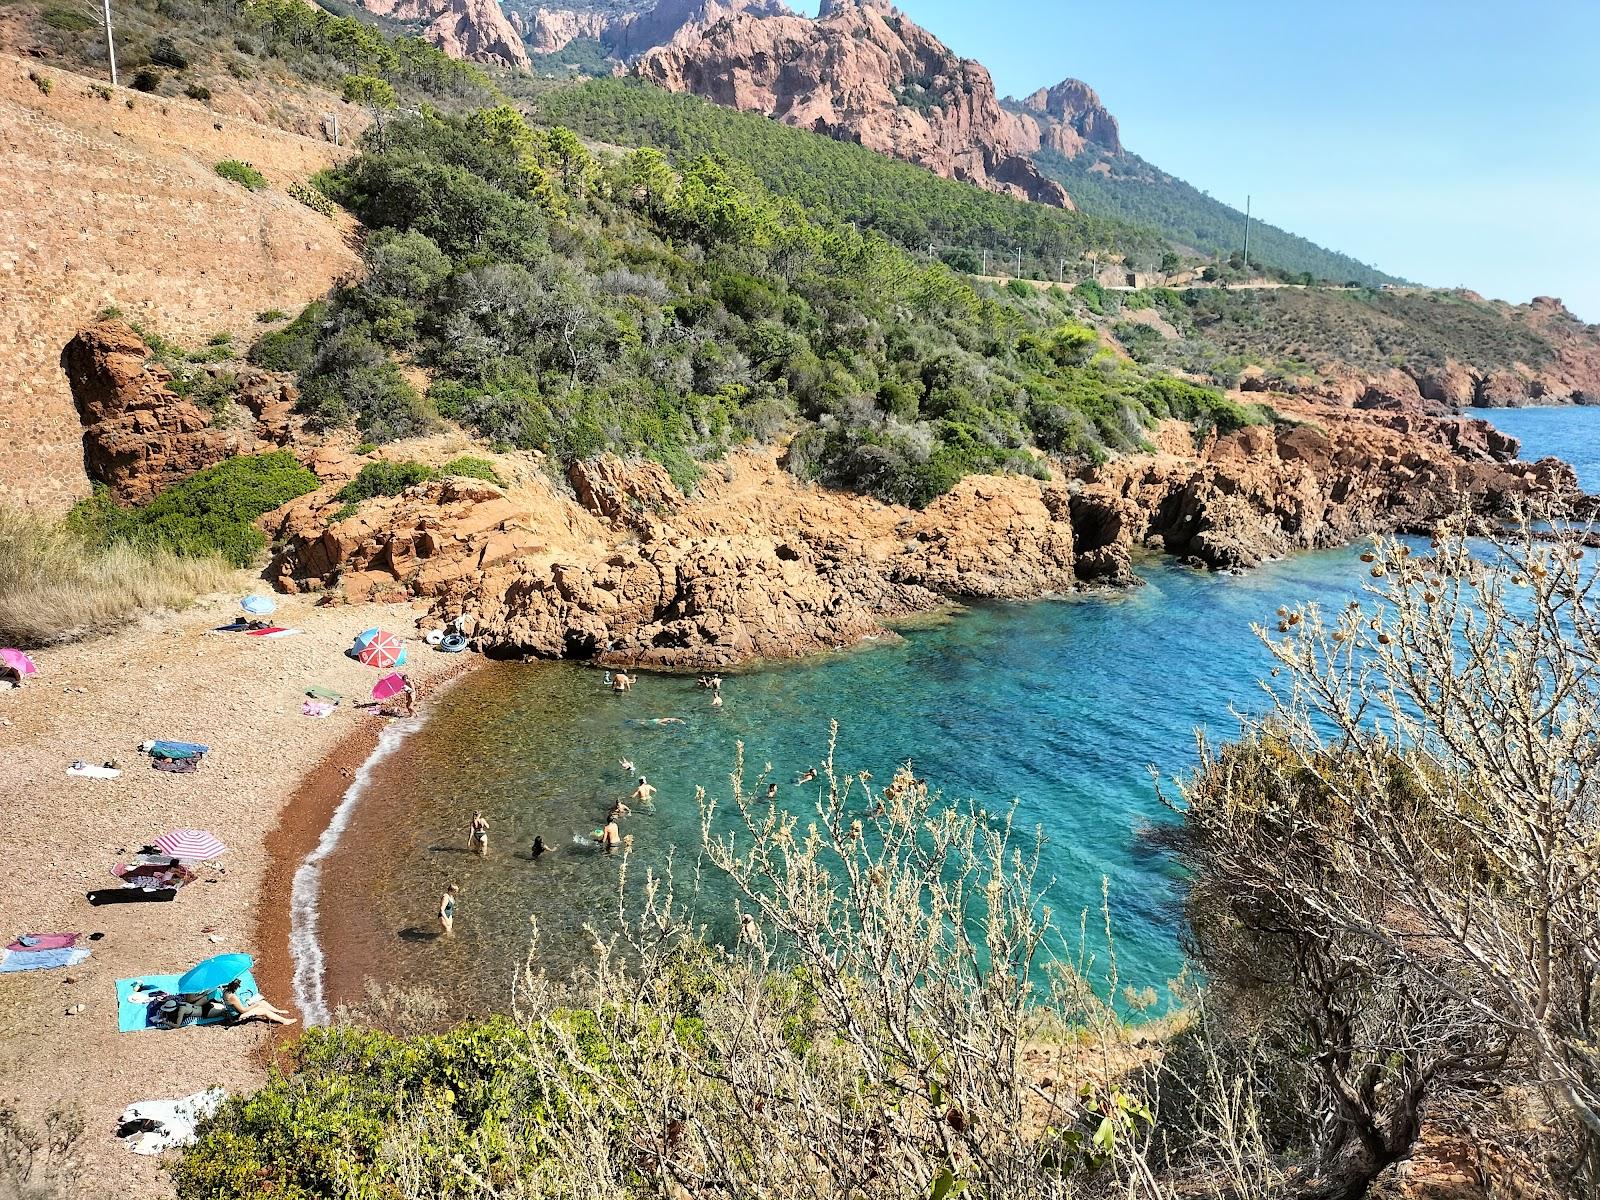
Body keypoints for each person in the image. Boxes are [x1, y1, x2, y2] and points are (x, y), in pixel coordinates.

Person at [221, 978, 296, 1026]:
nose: (238, 987)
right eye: (237, 986)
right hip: (237, 1017)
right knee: (263, 1010)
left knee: (262, 1002)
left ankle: (277, 1011)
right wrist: (254, 1005)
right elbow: (243, 1010)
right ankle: (284, 1021)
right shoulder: (232, 997)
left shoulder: (225, 991)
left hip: (237, 1011)